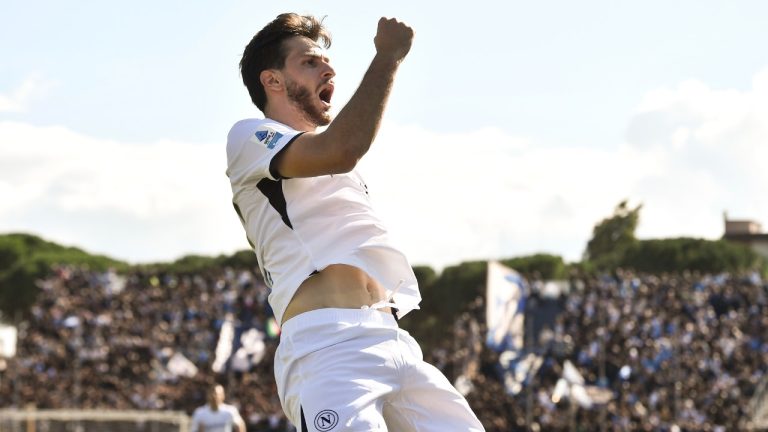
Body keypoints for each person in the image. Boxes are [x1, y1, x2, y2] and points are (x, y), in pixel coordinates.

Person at [227, 13, 485, 431]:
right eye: (309, 62)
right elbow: (344, 147)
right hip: (327, 346)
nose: (328, 68)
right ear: (272, 81)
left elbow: (341, 152)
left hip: (394, 339)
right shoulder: (249, 136)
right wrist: (388, 57)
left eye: (326, 62)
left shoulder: (335, 166)